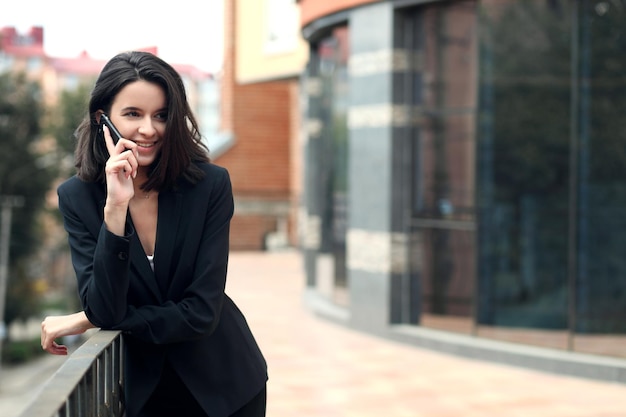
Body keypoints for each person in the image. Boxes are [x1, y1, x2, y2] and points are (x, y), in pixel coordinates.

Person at [40, 51, 268, 417]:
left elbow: (200, 313)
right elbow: (104, 304)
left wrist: (90, 319)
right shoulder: (77, 198)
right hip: (146, 394)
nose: (149, 129)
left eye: (161, 115)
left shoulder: (209, 185)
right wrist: (115, 209)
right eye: (133, 114)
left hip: (227, 387)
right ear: (103, 119)